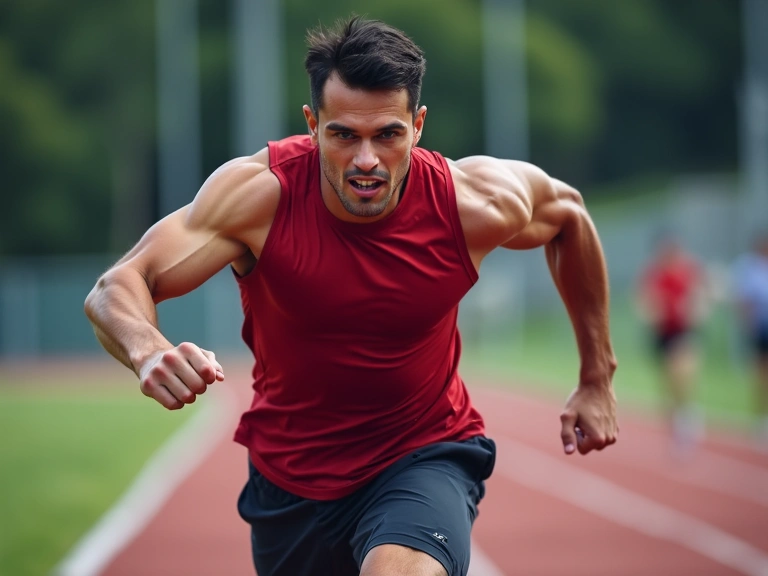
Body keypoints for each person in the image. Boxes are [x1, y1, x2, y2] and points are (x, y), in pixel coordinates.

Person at [84, 16, 618, 576]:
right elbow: (116, 286)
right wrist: (147, 349)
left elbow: (569, 217)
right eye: (344, 135)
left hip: (422, 453)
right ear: (313, 124)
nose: (366, 160)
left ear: (418, 125)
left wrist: (597, 377)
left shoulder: (472, 206)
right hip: (291, 480)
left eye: (387, 134)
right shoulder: (258, 199)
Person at [636, 233, 707, 452]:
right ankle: (678, 424)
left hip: (685, 332)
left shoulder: (688, 271)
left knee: (683, 375)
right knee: (668, 384)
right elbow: (645, 303)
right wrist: (655, 311)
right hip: (662, 334)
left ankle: (687, 417)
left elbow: (701, 296)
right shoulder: (654, 275)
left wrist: (695, 309)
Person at [732, 232, 768, 448]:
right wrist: (747, 325)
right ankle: (760, 417)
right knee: (761, 375)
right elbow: (743, 300)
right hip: (760, 329)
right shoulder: (749, 267)